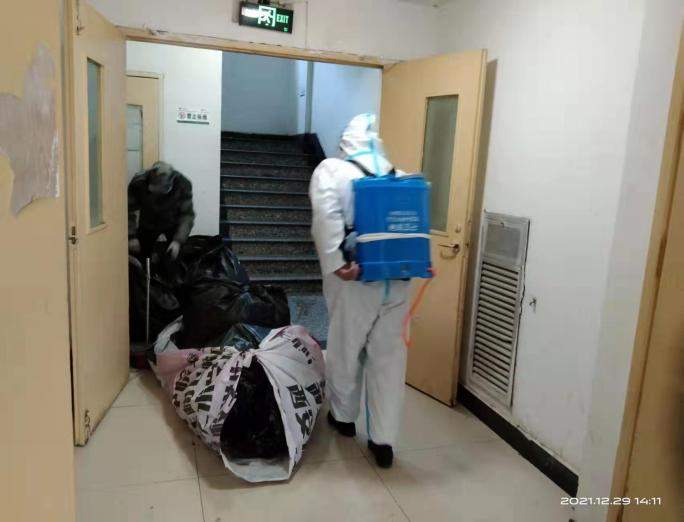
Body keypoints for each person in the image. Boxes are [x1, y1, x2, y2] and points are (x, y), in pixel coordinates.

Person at [309, 114, 410, 468]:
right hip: (398, 281)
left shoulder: (332, 170)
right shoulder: (399, 175)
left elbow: (325, 218)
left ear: (345, 143)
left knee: (345, 349)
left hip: (355, 280)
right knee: (389, 359)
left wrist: (336, 262)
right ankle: (384, 441)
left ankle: (344, 418)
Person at [128, 161, 195, 260]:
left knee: (174, 257)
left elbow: (187, 214)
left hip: (172, 222)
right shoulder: (138, 183)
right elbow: (128, 210)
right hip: (147, 222)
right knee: (141, 254)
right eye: (155, 191)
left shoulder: (183, 184)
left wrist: (178, 241)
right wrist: (131, 236)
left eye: (161, 192)